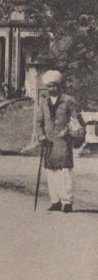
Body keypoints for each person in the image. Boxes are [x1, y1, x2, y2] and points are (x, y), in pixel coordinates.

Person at [35, 70, 85, 213]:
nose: (52, 89)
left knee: (65, 171)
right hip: (49, 141)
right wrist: (41, 136)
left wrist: (69, 131)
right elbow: (39, 122)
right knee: (51, 171)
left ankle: (67, 202)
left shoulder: (68, 100)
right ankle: (55, 201)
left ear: (60, 86)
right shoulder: (44, 103)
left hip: (64, 140)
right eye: (50, 86)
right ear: (47, 87)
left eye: (55, 86)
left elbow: (75, 119)